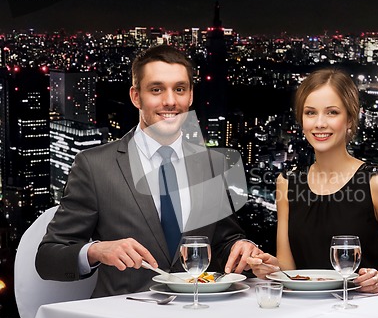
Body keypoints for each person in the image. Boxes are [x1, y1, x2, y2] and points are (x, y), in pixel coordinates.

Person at [35, 44, 260, 297]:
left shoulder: (212, 164)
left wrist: (243, 248)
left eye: (179, 89)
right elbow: (48, 258)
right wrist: (96, 250)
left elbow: (223, 242)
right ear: (135, 97)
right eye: (156, 90)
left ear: (191, 96)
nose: (170, 101)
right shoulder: (94, 166)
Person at [247, 68, 378, 293]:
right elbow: (288, 267)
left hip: (366, 307)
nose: (319, 123)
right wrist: (271, 268)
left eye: (332, 113)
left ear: (349, 119)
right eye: (310, 113)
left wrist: (377, 278)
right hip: (308, 305)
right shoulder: (287, 182)